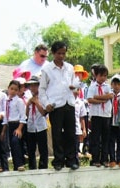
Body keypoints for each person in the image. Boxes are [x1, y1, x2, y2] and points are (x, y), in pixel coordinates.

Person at [39, 41, 80, 171]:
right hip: (55, 105)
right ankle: (58, 160)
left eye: (63, 53)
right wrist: (46, 104)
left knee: (71, 133)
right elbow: (42, 89)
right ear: (53, 53)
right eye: (58, 53)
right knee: (56, 134)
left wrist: (75, 87)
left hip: (69, 102)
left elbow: (76, 82)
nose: (61, 56)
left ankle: (72, 160)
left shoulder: (69, 67)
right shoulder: (47, 69)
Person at [86, 64, 113, 167]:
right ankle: (95, 159)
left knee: (106, 138)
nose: (103, 78)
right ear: (96, 75)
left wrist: (98, 97)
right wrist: (102, 99)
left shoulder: (107, 86)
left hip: (106, 115)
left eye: (105, 76)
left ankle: (105, 159)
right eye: (101, 75)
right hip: (96, 115)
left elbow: (110, 96)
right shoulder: (92, 86)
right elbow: (90, 99)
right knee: (96, 138)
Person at [1, 80, 26, 171]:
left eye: (16, 90)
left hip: (18, 124)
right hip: (9, 125)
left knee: (16, 142)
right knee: (11, 144)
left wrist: (19, 128)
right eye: (11, 89)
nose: (13, 91)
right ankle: (15, 166)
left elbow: (23, 116)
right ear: (8, 88)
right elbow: (5, 117)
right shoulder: (6, 101)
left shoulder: (19, 101)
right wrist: (3, 131)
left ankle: (20, 163)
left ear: (18, 91)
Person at [26, 76, 49, 170]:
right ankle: (32, 167)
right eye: (31, 86)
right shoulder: (29, 98)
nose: (33, 88)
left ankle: (43, 166)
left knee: (43, 149)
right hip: (31, 127)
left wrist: (37, 102)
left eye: (35, 86)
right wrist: (28, 104)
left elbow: (44, 112)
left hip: (41, 126)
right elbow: (26, 115)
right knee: (31, 149)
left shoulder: (43, 97)